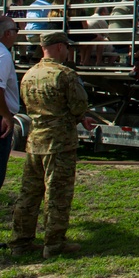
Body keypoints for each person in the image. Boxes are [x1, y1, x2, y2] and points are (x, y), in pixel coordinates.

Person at [11, 31, 96, 258]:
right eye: (67, 47)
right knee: (57, 195)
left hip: (34, 141)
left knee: (29, 194)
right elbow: (78, 104)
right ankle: (54, 244)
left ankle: (20, 242)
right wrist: (80, 116)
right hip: (60, 144)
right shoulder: (65, 74)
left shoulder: (29, 74)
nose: (68, 51)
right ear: (59, 47)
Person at [0, 16, 21, 189]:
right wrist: (6, 115)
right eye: (15, 30)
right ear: (7, 33)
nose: (16, 34)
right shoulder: (2, 54)